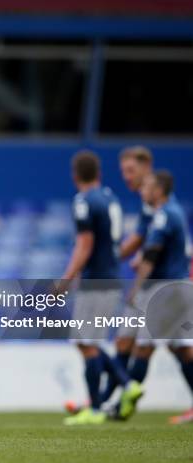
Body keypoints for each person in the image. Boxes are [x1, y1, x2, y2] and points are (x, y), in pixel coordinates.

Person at [60, 151, 142, 425]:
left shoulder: (84, 201)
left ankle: (97, 407)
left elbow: (85, 244)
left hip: (96, 280)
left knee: (87, 343)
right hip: (111, 277)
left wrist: (67, 278)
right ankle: (125, 384)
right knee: (87, 341)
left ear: (74, 176)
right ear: (98, 173)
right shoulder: (109, 197)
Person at [127, 171, 193, 424]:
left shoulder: (164, 215)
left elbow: (152, 256)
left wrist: (136, 289)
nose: (143, 190)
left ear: (159, 190)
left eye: (148, 187)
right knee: (181, 349)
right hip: (177, 287)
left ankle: (122, 402)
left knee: (144, 345)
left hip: (166, 289)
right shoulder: (170, 213)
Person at [98, 146, 154, 406]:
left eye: (131, 170)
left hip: (159, 284)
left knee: (157, 348)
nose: (126, 176)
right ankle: (106, 404)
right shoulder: (147, 203)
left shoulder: (157, 202)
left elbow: (148, 240)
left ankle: (110, 405)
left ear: (146, 168)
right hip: (150, 282)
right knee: (124, 341)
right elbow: (144, 239)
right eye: (123, 172)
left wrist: (111, 257)